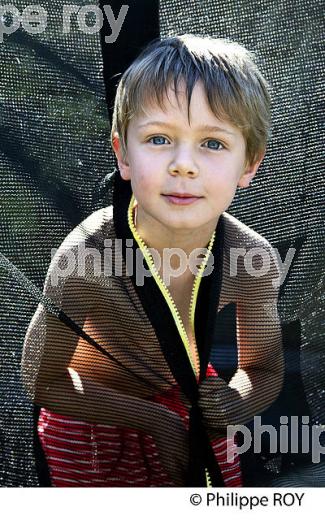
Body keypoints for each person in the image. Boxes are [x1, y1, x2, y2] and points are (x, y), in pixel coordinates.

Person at [21, 34, 284, 487]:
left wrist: (233, 404)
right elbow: (42, 380)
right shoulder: (86, 259)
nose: (184, 164)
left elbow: (264, 369)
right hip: (92, 422)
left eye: (214, 143)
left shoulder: (249, 260)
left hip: (192, 406)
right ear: (123, 153)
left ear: (249, 164)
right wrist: (152, 420)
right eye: (159, 138)